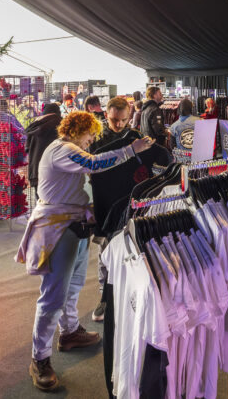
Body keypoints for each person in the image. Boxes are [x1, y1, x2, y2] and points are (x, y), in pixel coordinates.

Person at [15, 111, 153, 391]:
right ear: (80, 130)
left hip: (73, 226)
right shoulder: (62, 149)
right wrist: (131, 150)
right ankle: (39, 359)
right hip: (58, 229)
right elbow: (95, 163)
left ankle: (69, 332)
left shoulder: (63, 149)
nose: (91, 142)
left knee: (73, 286)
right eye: (90, 137)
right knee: (53, 295)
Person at [88, 96, 143, 322]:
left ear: (129, 117)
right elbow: (90, 167)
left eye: (122, 120)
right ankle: (106, 297)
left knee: (134, 251)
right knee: (106, 252)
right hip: (105, 203)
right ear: (106, 116)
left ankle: (132, 296)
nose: (118, 124)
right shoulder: (97, 139)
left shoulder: (137, 138)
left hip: (131, 203)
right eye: (113, 120)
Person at [25, 103, 62, 196]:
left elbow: (27, 150)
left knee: (41, 205)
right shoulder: (62, 124)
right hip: (56, 173)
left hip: (36, 173)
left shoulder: (33, 126)